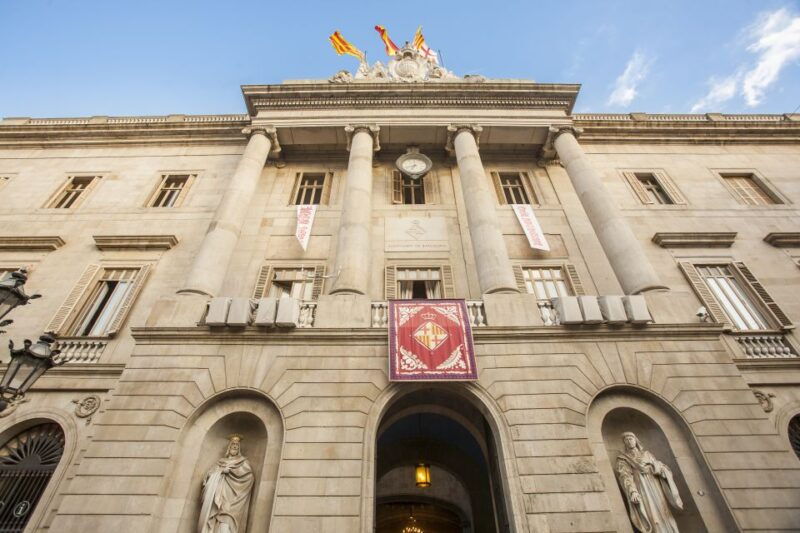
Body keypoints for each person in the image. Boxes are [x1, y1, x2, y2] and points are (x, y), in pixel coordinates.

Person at [616, 431, 684, 532]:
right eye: (626, 440)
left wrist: (653, 467)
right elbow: (625, 476)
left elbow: (662, 467)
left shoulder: (647, 454)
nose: (629, 441)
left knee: (664, 510)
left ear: (636, 440)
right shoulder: (623, 459)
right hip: (641, 486)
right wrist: (633, 491)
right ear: (624, 443)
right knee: (650, 513)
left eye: (631, 438)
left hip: (655, 484)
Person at [198, 435, 254, 533]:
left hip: (233, 496)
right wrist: (220, 471)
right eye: (233, 444)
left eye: (237, 445)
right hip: (218, 494)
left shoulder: (243, 462)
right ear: (229, 446)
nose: (235, 446)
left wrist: (233, 472)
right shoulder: (220, 462)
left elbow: (249, 476)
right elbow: (208, 475)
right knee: (217, 515)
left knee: (228, 517)